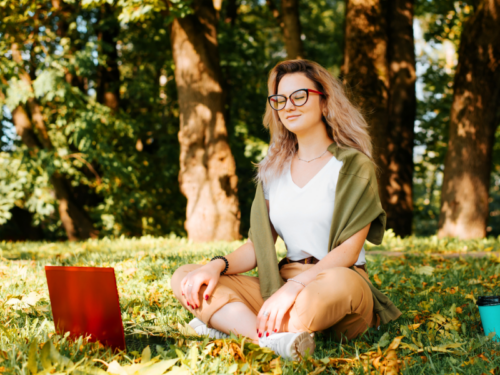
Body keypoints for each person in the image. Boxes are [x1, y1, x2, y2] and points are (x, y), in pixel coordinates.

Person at [171, 59, 398, 361]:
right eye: (279, 99)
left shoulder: (353, 165)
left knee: (325, 291)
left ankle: (230, 326)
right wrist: (215, 266)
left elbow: (347, 251)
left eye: (299, 96)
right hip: (279, 285)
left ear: (325, 101)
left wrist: (294, 288)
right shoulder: (271, 171)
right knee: (187, 277)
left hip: (337, 281)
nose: (288, 105)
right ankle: (272, 339)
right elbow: (257, 247)